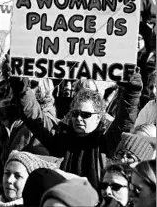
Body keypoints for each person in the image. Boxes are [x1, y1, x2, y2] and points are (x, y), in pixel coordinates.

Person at [9, 69, 142, 189]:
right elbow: (34, 116)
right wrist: (21, 88)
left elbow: (124, 121)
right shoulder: (59, 138)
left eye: (85, 115)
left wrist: (132, 93)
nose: (78, 118)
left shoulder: (106, 144)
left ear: (98, 117)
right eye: (75, 113)